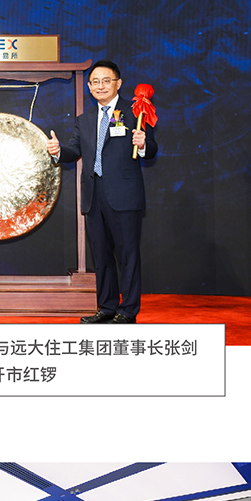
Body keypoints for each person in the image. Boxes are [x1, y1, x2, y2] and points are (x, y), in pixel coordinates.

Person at [46, 57, 157, 322]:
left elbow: (151, 149)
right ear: (89, 86)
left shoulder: (136, 112)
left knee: (128, 256)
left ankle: (128, 311)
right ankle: (106, 307)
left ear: (118, 83)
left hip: (124, 196)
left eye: (106, 81)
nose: (100, 86)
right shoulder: (84, 119)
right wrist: (58, 151)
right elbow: (73, 151)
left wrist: (143, 144)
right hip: (93, 196)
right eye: (95, 82)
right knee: (102, 256)